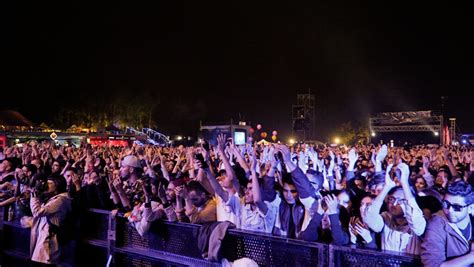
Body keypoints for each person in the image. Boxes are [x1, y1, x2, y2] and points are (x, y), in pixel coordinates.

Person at [421, 180, 474, 266]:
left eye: (457, 207)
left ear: (471, 208)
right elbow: (432, 265)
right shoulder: (437, 224)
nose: (450, 211)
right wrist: (471, 257)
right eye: (446, 204)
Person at [30, 174, 72, 266]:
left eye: (49, 183)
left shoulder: (60, 199)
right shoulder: (54, 197)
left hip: (49, 239)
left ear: (57, 185)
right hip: (45, 235)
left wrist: (34, 196)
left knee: (47, 263)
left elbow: (37, 212)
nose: (46, 185)